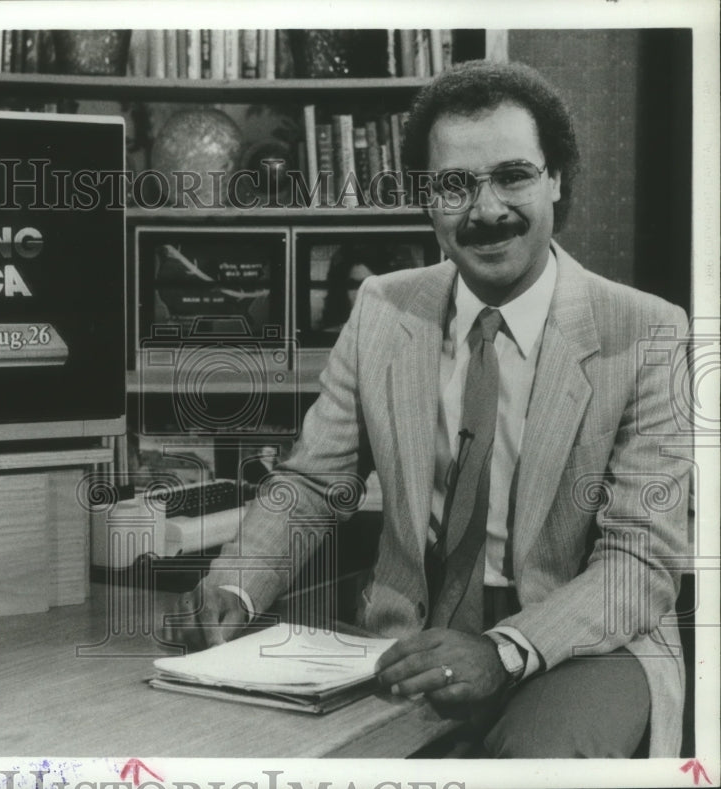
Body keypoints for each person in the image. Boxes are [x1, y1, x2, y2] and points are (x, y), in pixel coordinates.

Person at [162, 60, 691, 758]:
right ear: (425, 197)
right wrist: (238, 585)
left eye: (513, 175)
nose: (486, 210)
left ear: (556, 178)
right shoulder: (384, 306)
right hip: (407, 637)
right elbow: (315, 484)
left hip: (586, 640)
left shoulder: (648, 330)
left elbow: (639, 564)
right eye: (453, 185)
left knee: (524, 768)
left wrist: (503, 650)